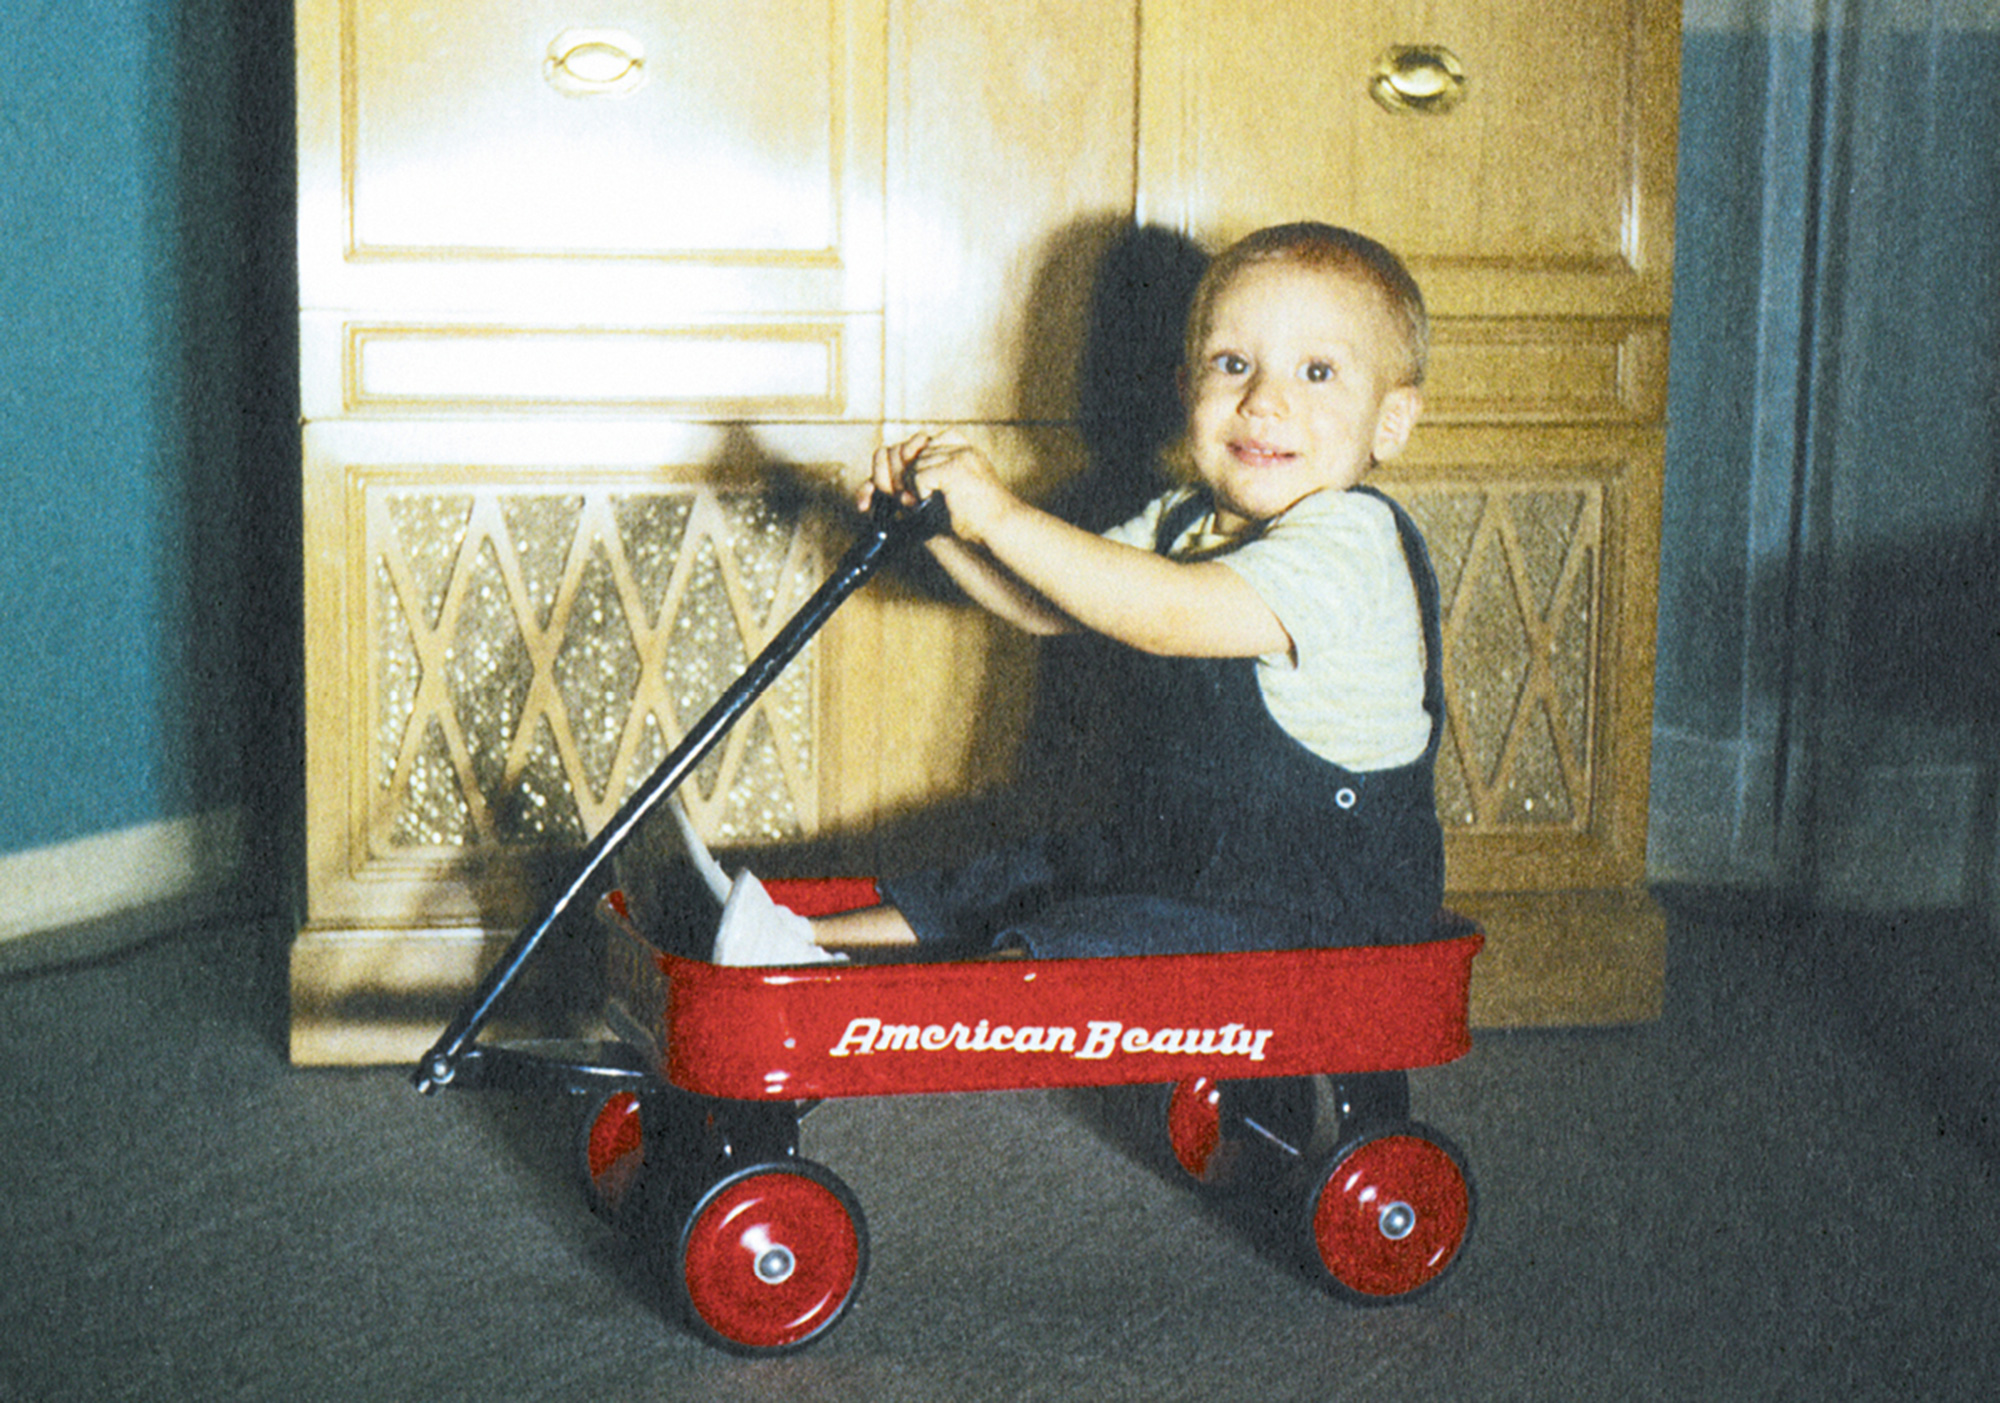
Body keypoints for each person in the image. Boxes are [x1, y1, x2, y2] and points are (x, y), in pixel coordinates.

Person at [709, 221, 1447, 965]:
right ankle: (801, 941)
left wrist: (999, 512)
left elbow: (1165, 613)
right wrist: (934, 531)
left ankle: (884, 979)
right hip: (1189, 863)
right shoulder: (1182, 516)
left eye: (1317, 373)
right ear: (1185, 387)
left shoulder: (1352, 545)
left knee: (1081, 940)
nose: (1262, 400)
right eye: (1232, 363)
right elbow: (1047, 603)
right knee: (1035, 870)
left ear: (1391, 421)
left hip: (1325, 913)